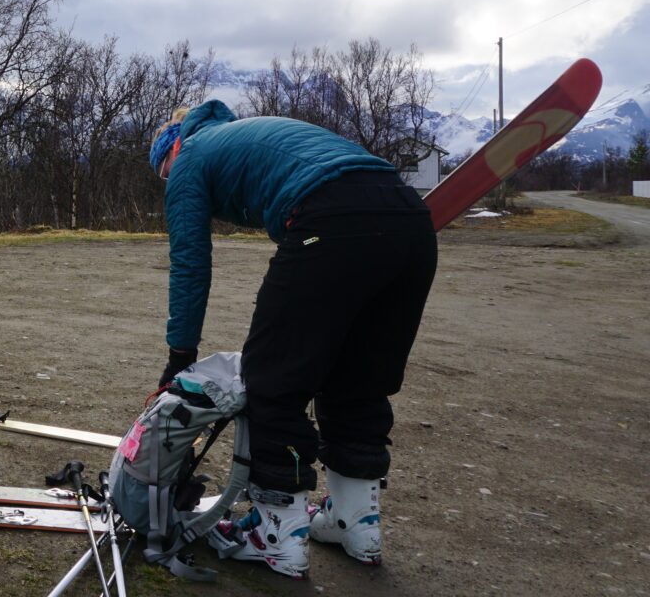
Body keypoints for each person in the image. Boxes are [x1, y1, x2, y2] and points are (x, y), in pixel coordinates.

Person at [149, 100, 437, 578]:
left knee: (271, 380)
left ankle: (276, 533)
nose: (167, 181)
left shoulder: (191, 155)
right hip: (410, 219)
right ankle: (354, 524)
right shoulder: (249, 135)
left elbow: (191, 264)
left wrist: (181, 354)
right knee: (356, 380)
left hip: (330, 217)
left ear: (171, 150)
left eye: (162, 173)